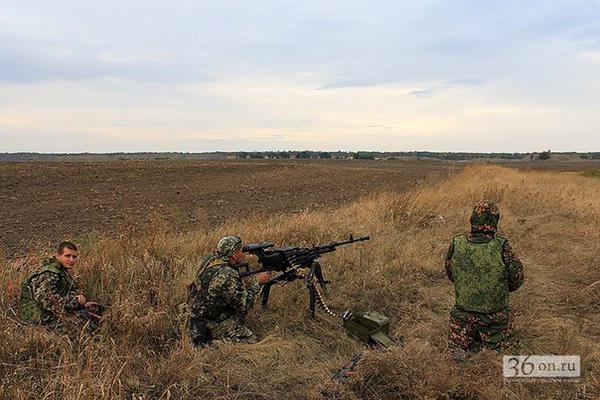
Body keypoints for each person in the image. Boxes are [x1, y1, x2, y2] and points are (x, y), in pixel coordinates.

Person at [445, 201, 524, 351]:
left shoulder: (456, 243)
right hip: (495, 322)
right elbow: (517, 279)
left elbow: (450, 273)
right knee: (504, 353)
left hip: (461, 322)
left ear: (472, 219)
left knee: (457, 354)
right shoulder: (502, 246)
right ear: (494, 220)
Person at [188, 235, 270, 346]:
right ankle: (210, 345)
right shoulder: (228, 274)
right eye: (240, 251)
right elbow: (244, 306)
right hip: (209, 322)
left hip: (195, 316)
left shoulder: (210, 261)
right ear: (234, 255)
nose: (243, 253)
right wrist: (257, 282)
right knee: (250, 340)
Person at [19, 241, 102, 329]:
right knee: (84, 326)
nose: (71, 260)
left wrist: (82, 304)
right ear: (58, 256)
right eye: (67, 256)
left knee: (94, 311)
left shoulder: (61, 270)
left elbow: (65, 292)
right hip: (36, 315)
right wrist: (75, 301)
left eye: (74, 257)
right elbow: (46, 301)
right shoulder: (49, 273)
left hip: (50, 311)